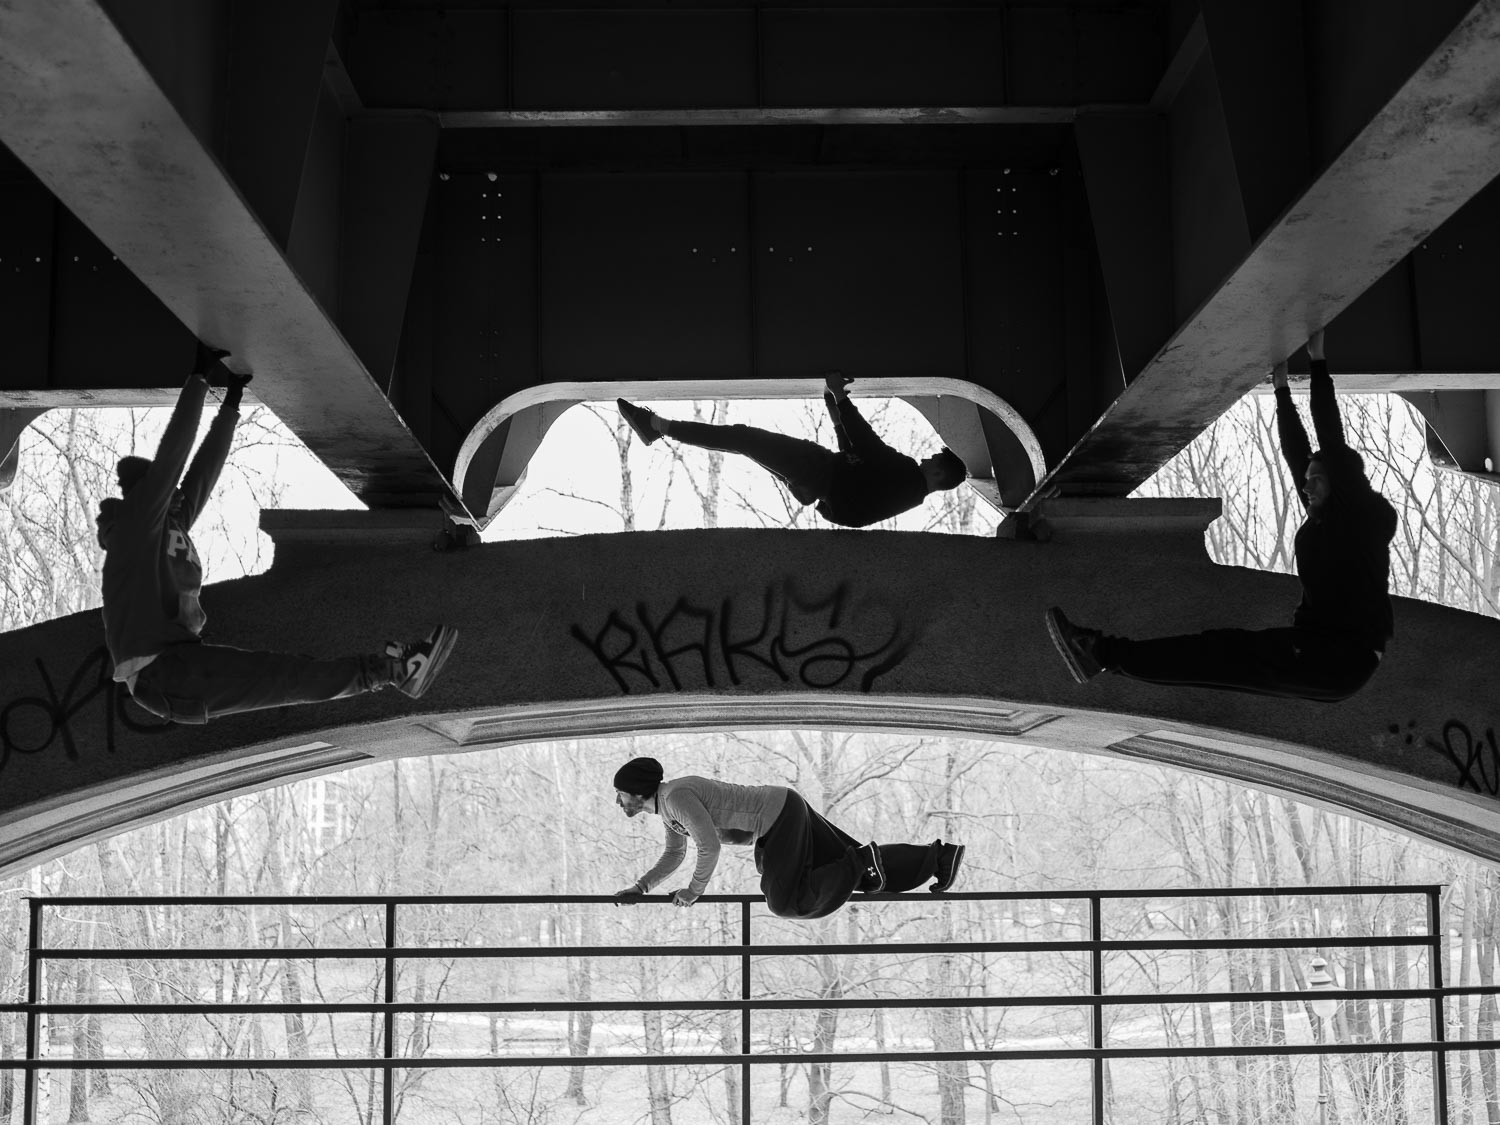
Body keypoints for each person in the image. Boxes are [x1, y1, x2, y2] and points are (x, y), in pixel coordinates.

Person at [96, 343, 459, 724]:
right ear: (152, 493)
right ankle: (395, 671)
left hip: (178, 661)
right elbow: (173, 457)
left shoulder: (171, 522)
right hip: (162, 671)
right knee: (281, 677)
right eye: (172, 491)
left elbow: (203, 473)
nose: (182, 494)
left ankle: (395, 670)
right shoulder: (138, 525)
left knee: (283, 672)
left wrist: (231, 405)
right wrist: (198, 380)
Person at [1045, 329, 1397, 702]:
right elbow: (1298, 454)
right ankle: (1099, 654)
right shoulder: (1324, 518)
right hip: (1327, 656)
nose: (1307, 488)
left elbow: (1331, 437)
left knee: (1218, 654)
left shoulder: (1357, 519)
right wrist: (1280, 392)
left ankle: (1099, 652)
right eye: (1308, 482)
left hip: (1340, 656)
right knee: (1215, 654)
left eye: (1318, 481)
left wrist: (1318, 360)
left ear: (1344, 484)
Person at [610, 757, 965, 919]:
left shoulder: (676, 797)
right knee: (862, 873)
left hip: (778, 817)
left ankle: (859, 861)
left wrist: (693, 892)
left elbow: (709, 846)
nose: (618, 801)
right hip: (781, 811)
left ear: (638, 793)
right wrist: (640, 888)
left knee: (785, 902)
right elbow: (674, 854)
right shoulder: (669, 810)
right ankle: (939, 859)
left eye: (620, 794)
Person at [615, 373, 967, 528]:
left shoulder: (907, 475)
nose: (926, 458)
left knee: (744, 439)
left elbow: (865, 441)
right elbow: (857, 457)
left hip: (818, 470)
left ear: (940, 473)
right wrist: (833, 408)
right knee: (746, 444)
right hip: (815, 486)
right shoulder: (904, 493)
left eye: (934, 460)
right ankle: (659, 427)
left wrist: (840, 398)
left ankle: (658, 427)